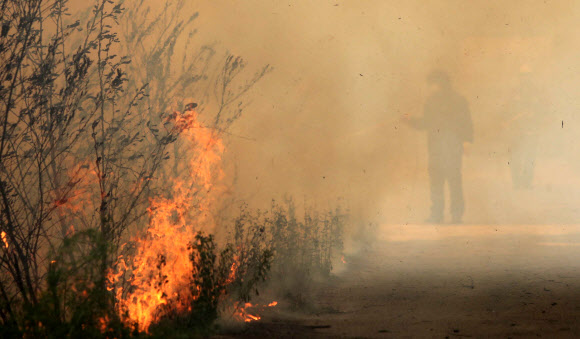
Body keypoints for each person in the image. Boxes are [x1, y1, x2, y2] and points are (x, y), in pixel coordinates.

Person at [404, 71, 473, 223]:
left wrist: (467, 141)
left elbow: (466, 122)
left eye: (432, 84)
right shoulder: (433, 101)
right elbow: (426, 123)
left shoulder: (457, 100)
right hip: (438, 146)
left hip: (451, 146)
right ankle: (442, 214)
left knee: (450, 180)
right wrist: (410, 121)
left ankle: (451, 214)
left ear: (440, 84)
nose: (430, 87)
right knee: (441, 181)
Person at [503, 66, 541, 189]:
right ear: (520, 78)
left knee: (530, 157)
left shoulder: (537, 92)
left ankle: (527, 182)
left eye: (528, 77)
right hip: (516, 130)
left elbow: (544, 110)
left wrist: (536, 116)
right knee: (515, 157)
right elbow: (506, 109)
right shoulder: (514, 92)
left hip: (532, 129)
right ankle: (517, 182)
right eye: (523, 77)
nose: (526, 79)